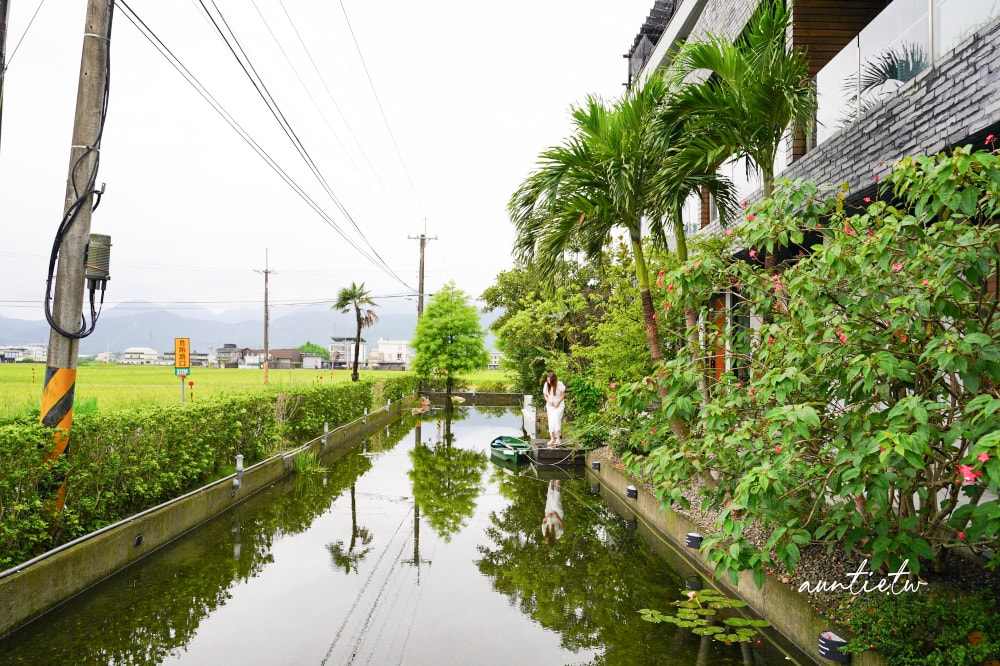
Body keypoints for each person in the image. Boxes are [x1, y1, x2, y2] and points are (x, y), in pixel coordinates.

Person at [542, 371, 566, 445]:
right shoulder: (546, 385)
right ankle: (552, 439)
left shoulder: (559, 384)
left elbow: (563, 395)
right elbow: (545, 395)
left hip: (559, 405)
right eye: (548, 380)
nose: (549, 382)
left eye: (550, 380)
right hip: (550, 406)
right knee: (551, 421)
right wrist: (548, 401)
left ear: (554, 379)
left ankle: (558, 438)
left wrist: (558, 402)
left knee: (556, 419)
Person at [541, 480, 563, 545]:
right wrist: (557, 517)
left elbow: (543, 521)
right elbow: (561, 525)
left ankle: (551, 480)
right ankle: (558, 480)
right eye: (547, 541)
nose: (546, 540)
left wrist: (547, 517)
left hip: (548, 513)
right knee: (556, 498)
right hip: (557, 514)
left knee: (550, 496)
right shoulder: (557, 536)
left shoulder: (544, 532)